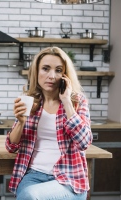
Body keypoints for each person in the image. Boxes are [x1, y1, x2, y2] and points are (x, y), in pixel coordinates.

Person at [5, 46, 92, 200]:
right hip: (33, 175)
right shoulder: (31, 101)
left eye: (58, 70)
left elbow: (84, 142)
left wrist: (66, 101)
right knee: (28, 194)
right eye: (45, 69)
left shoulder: (77, 101)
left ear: (65, 75)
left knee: (29, 196)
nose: (52, 76)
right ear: (36, 72)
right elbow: (11, 146)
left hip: (69, 178)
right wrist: (20, 122)